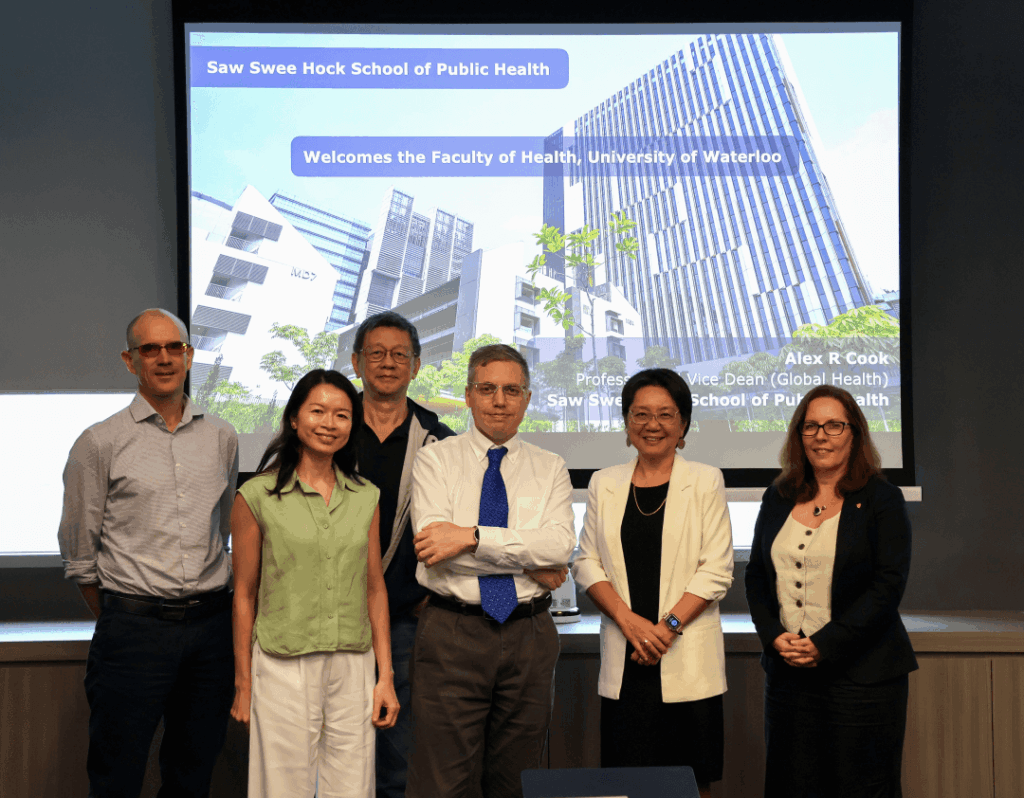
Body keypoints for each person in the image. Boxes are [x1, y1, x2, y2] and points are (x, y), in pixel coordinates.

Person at [58, 308, 238, 797]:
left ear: (190, 355)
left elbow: (220, 531)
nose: (164, 358)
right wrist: (128, 614)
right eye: (149, 349)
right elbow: (80, 554)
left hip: (209, 633)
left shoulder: (222, 437)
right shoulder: (99, 442)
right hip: (133, 633)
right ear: (129, 360)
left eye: (174, 347)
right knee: (117, 773)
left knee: (193, 770)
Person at [405, 344, 575, 798]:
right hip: (451, 633)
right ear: (467, 396)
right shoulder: (435, 460)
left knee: (516, 782)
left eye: (511, 390)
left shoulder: (551, 467)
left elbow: (559, 545)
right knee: (442, 783)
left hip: (530, 637)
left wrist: (473, 537)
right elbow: (433, 548)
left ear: (526, 398)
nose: (499, 400)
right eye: (487, 388)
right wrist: (528, 557)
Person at [229, 369, 399, 797]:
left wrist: (386, 676)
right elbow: (244, 596)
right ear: (293, 419)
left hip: (353, 662)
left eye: (341, 415)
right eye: (318, 411)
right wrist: (243, 682)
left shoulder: (366, 496)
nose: (329, 423)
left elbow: (375, 588)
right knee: (282, 787)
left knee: (353, 785)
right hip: (282, 662)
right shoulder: (256, 495)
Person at [744, 384, 918, 798]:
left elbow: (887, 586)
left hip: (862, 680)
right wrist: (773, 637)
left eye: (834, 426)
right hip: (788, 678)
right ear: (799, 436)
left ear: (854, 433)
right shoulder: (778, 495)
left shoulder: (883, 499)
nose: (821, 436)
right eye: (811, 427)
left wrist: (825, 644)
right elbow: (756, 575)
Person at [571, 369, 734, 798]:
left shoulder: (705, 480)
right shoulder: (604, 483)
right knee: (627, 784)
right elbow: (586, 562)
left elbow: (716, 568)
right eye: (640, 414)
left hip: (684, 652)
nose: (652, 424)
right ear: (626, 424)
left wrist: (665, 629)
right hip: (627, 660)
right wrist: (629, 623)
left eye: (665, 414)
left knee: (691, 783)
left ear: (683, 425)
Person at [348, 311, 455, 798]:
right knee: (334, 751)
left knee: (398, 756)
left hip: (409, 622)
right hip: (331, 619)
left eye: (399, 355)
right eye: (376, 353)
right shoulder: (326, 427)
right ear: (356, 362)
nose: (388, 364)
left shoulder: (441, 442)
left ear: (416, 365)